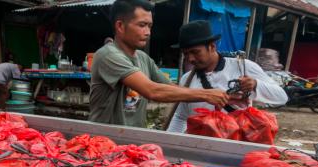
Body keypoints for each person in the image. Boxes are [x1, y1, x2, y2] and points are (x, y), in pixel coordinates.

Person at [89, 0, 230, 128]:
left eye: (150, 26)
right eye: (142, 25)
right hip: (104, 142)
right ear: (120, 26)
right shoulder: (108, 55)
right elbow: (153, 91)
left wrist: (226, 97)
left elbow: (171, 88)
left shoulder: (144, 58)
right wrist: (206, 94)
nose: (148, 32)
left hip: (133, 141)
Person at [167, 20, 288, 133]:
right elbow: (180, 117)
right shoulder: (186, 79)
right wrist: (169, 144)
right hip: (198, 146)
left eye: (195, 52)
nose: (190, 59)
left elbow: (281, 97)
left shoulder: (243, 67)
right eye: (186, 54)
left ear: (212, 47)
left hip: (235, 145)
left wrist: (255, 84)